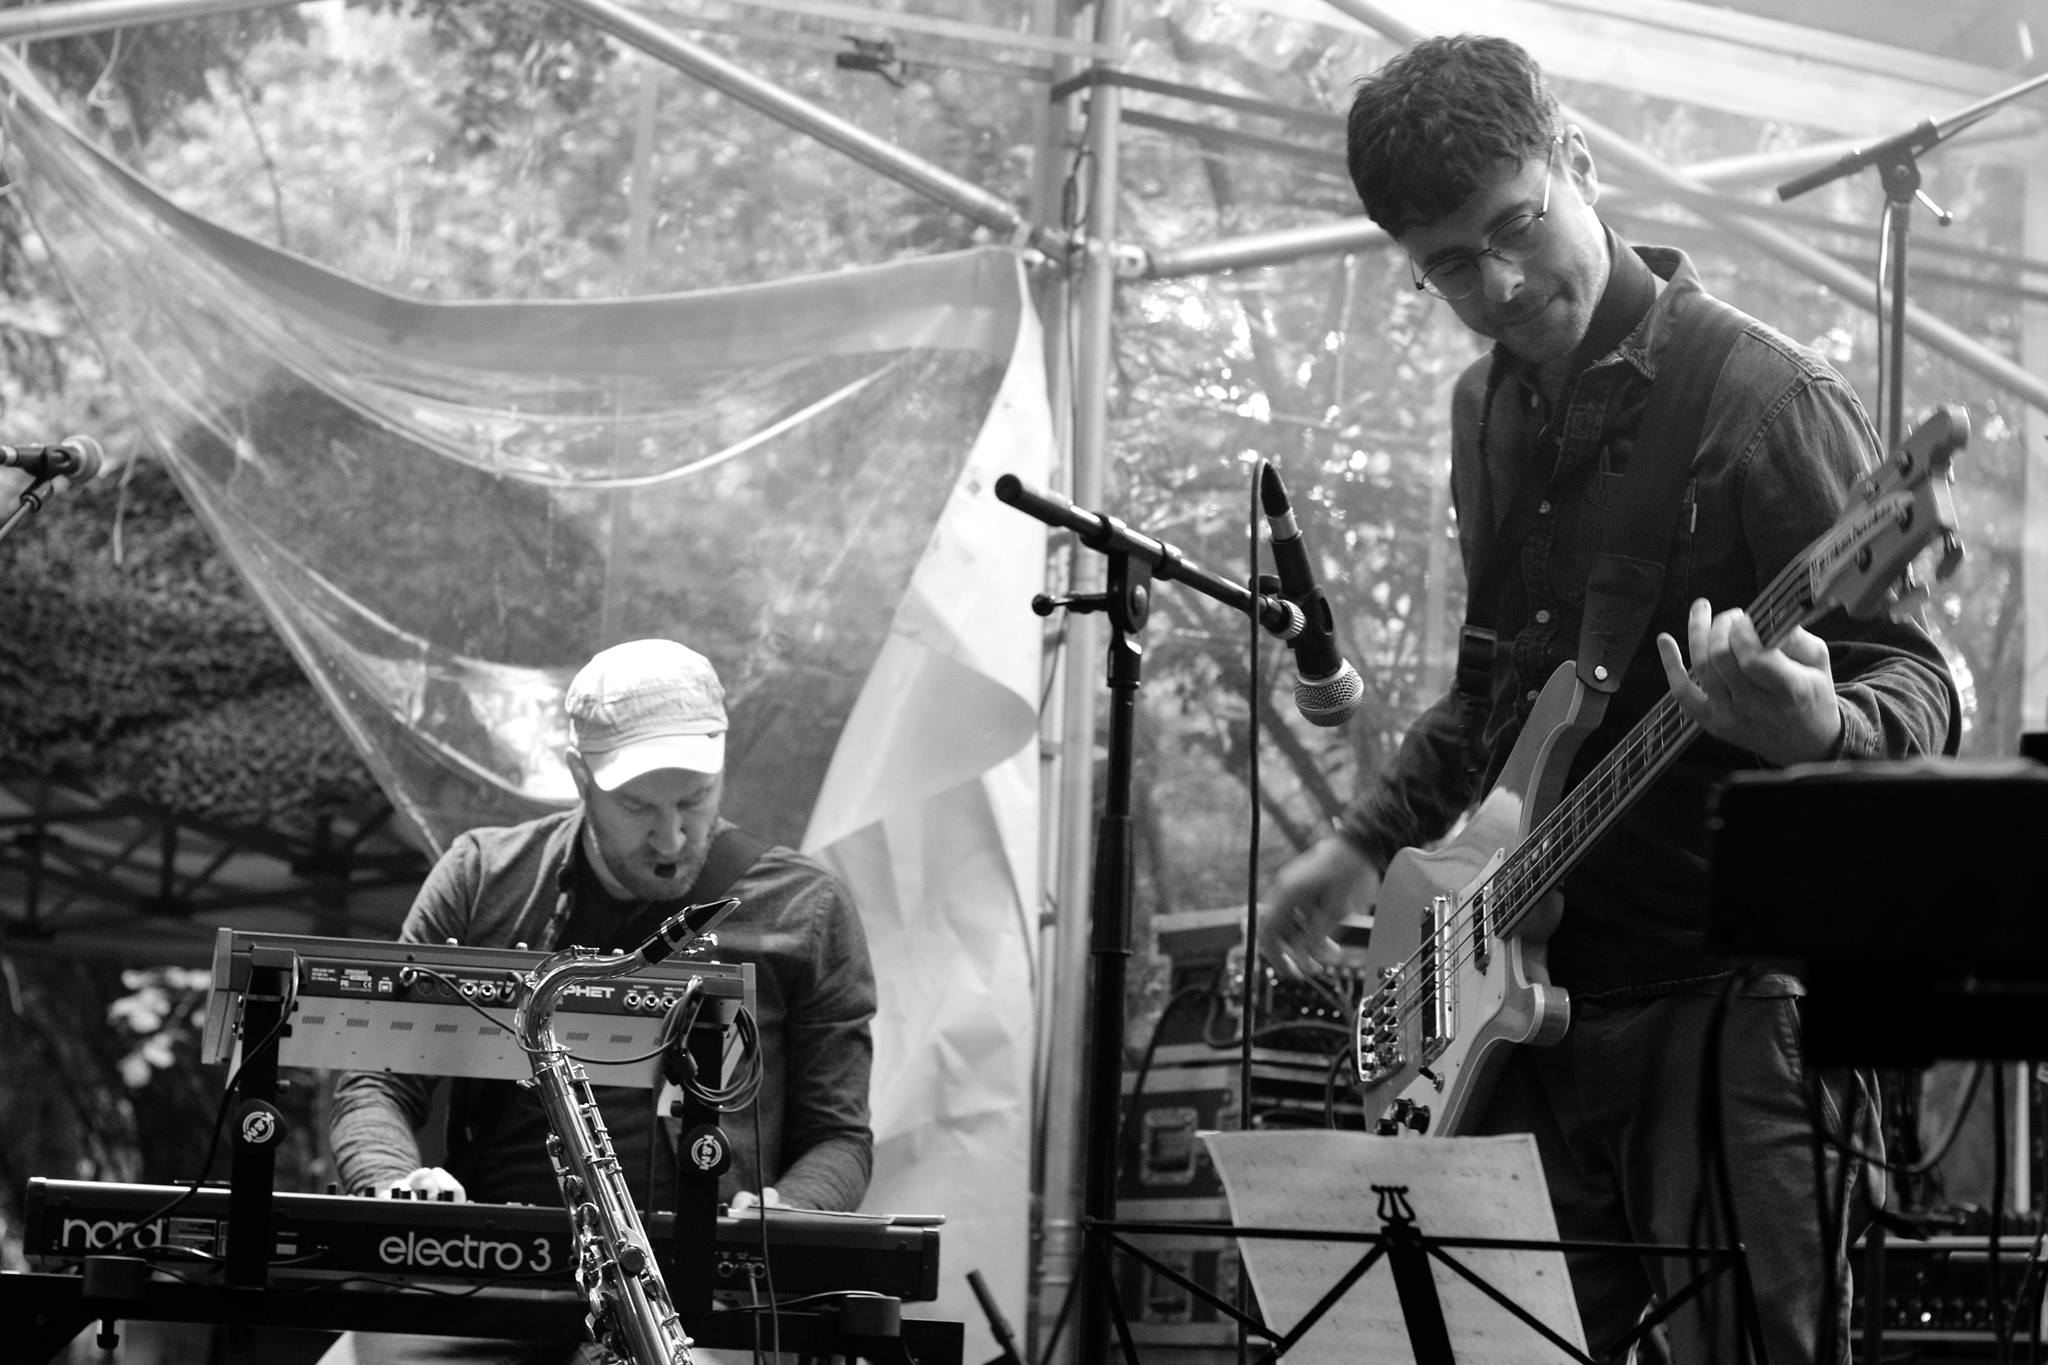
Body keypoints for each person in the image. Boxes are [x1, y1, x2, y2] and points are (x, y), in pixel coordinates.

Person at [1257, 34, 1958, 1365]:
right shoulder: (1483, 410)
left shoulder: (1762, 398)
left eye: (1513, 227)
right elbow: (1491, 690)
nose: (1498, 285)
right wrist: (1360, 847)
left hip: (1729, 1010)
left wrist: (1822, 728)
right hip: (1517, 1005)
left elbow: (1915, 680)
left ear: (1576, 160)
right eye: (1447, 265)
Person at [329, 638, 876, 1365]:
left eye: (695, 799)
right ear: (579, 775)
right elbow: (374, 1080)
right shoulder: (479, 878)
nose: (672, 837)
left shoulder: (808, 907)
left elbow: (840, 1136)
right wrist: (395, 1182)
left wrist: (790, 1211)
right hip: (482, 1279)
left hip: (697, 1298)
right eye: (638, 806)